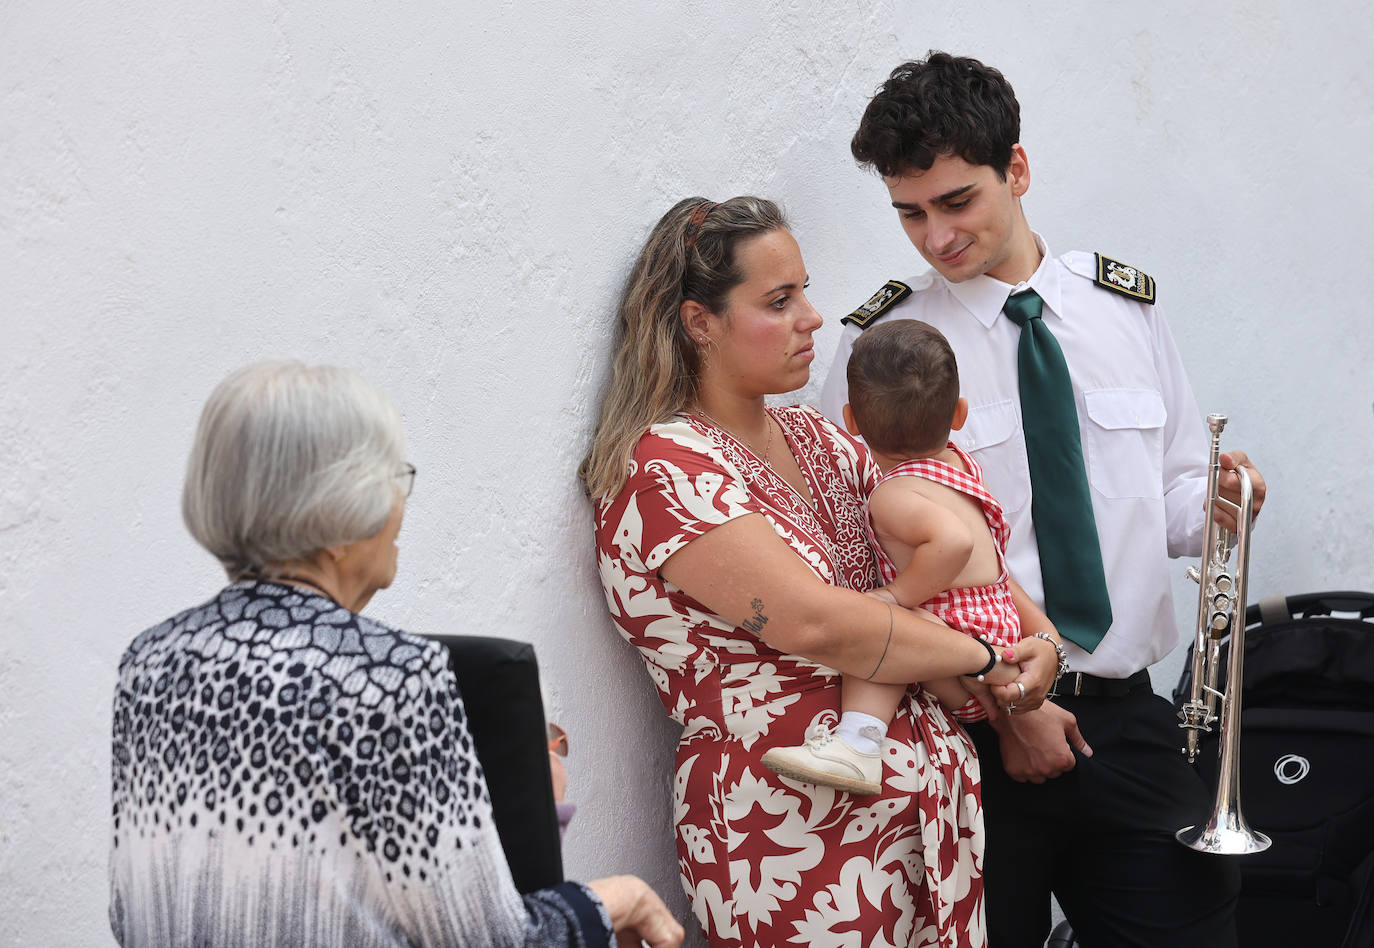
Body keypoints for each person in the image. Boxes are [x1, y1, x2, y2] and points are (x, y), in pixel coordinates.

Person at [820, 53, 1268, 948]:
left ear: (1015, 171)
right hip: (971, 726)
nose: (935, 238)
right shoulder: (886, 347)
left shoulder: (1126, 309)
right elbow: (860, 563)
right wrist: (1007, 706)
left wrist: (1225, 502)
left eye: (957, 202)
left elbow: (1174, 499)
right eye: (910, 213)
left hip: (1130, 720)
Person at [582, 196, 1061, 947]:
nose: (813, 317)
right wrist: (989, 659)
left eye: (804, 290)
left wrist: (1043, 641)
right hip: (788, 837)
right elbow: (816, 623)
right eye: (780, 300)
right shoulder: (664, 467)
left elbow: (949, 536)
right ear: (698, 322)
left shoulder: (819, 437)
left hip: (924, 834)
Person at [110, 360, 683, 948]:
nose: (399, 506)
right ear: (337, 514)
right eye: (392, 478)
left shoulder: (149, 663)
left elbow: (142, 913)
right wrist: (617, 899)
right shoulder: (392, 679)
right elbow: (493, 943)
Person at [762, 319, 1068, 795]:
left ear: (851, 421)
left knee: (878, 640)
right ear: (960, 413)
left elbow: (953, 543)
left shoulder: (896, 493)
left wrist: (897, 595)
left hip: (965, 641)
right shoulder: (959, 466)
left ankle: (858, 745)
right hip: (997, 632)